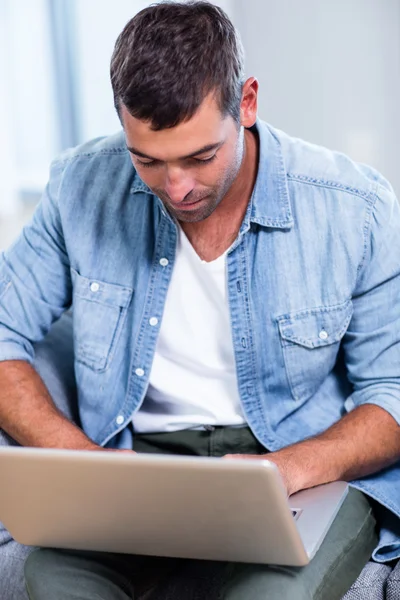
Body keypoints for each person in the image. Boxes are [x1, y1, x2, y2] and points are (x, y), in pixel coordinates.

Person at [0, 1, 399, 598]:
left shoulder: (353, 208)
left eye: (200, 156)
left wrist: (287, 469)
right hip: (134, 461)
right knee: (56, 586)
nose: (177, 188)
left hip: (293, 465)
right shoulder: (79, 185)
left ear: (249, 103)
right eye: (148, 162)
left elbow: (391, 391)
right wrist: (82, 462)